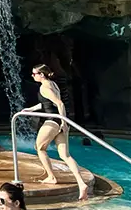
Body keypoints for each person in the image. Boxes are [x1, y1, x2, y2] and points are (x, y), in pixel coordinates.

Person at [24, 64, 89, 201]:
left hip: (52, 121)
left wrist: (64, 122)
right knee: (65, 155)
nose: (32, 75)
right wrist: (30, 109)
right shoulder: (53, 84)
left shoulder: (44, 87)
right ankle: (81, 183)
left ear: (42, 74)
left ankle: (51, 177)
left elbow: (59, 104)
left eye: (34, 73)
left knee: (40, 148)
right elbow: (46, 104)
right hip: (58, 121)